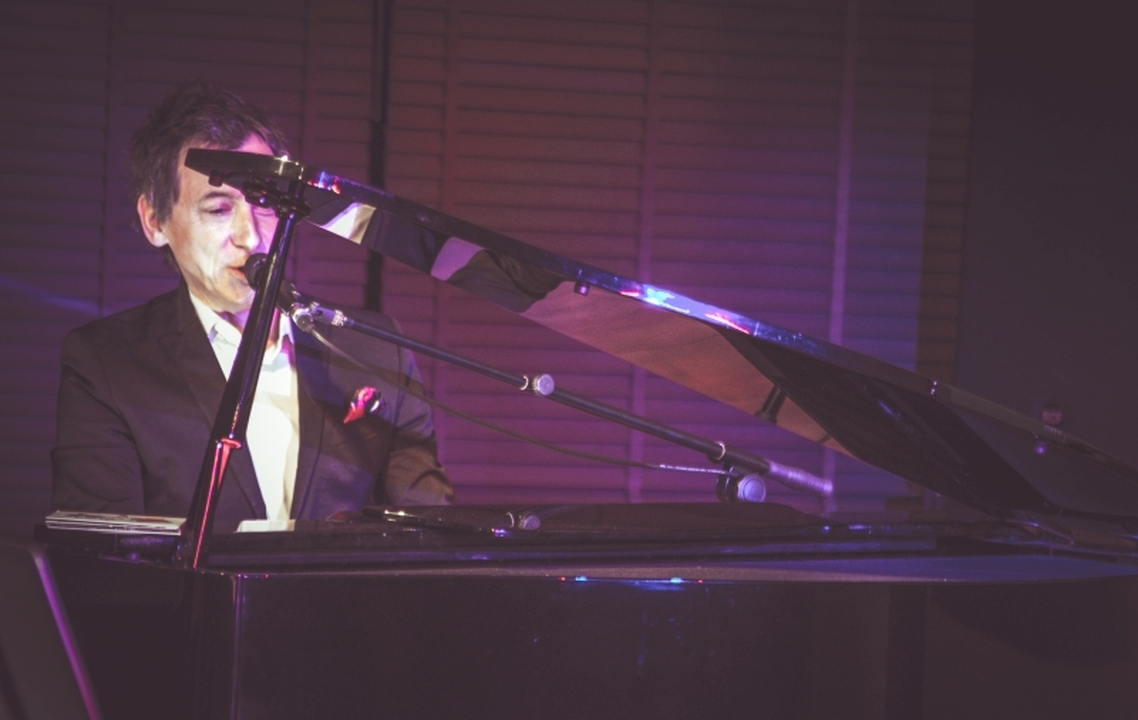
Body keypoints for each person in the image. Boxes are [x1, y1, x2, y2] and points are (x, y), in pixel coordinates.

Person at [51, 81, 452, 527]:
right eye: (218, 209)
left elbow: (428, 533)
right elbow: (104, 551)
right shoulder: (105, 363)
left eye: (264, 203)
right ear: (154, 220)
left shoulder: (376, 349)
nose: (252, 237)